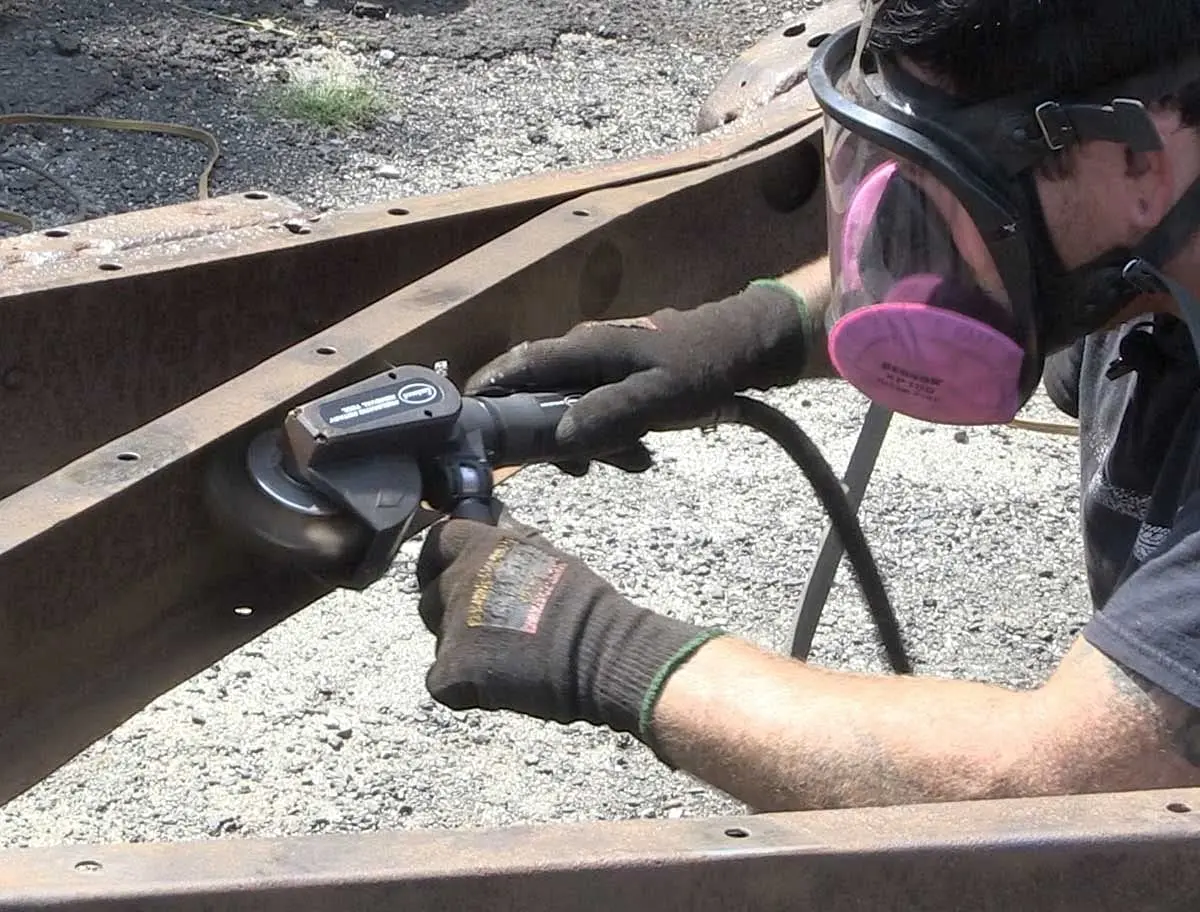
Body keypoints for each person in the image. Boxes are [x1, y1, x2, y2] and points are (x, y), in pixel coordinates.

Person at [414, 0, 1200, 813]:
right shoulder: (1144, 259)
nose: (903, 225)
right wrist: (764, 328)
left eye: (944, 179)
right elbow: (989, 264)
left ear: (1139, 163)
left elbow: (1067, 787)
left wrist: (598, 647)